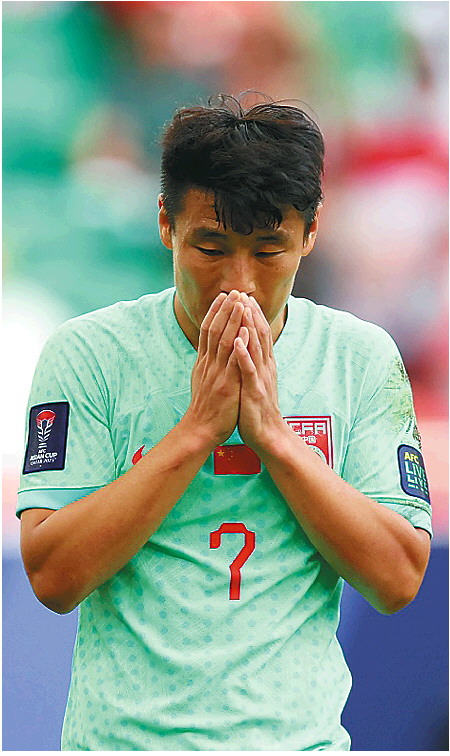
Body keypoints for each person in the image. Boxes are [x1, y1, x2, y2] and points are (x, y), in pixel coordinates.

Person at [17, 95, 432, 751]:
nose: (239, 283)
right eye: (211, 247)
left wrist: (274, 438)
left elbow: (399, 578)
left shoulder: (359, 358)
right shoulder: (89, 354)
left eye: (269, 251)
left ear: (311, 233)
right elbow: (52, 577)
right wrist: (195, 433)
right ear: (166, 223)